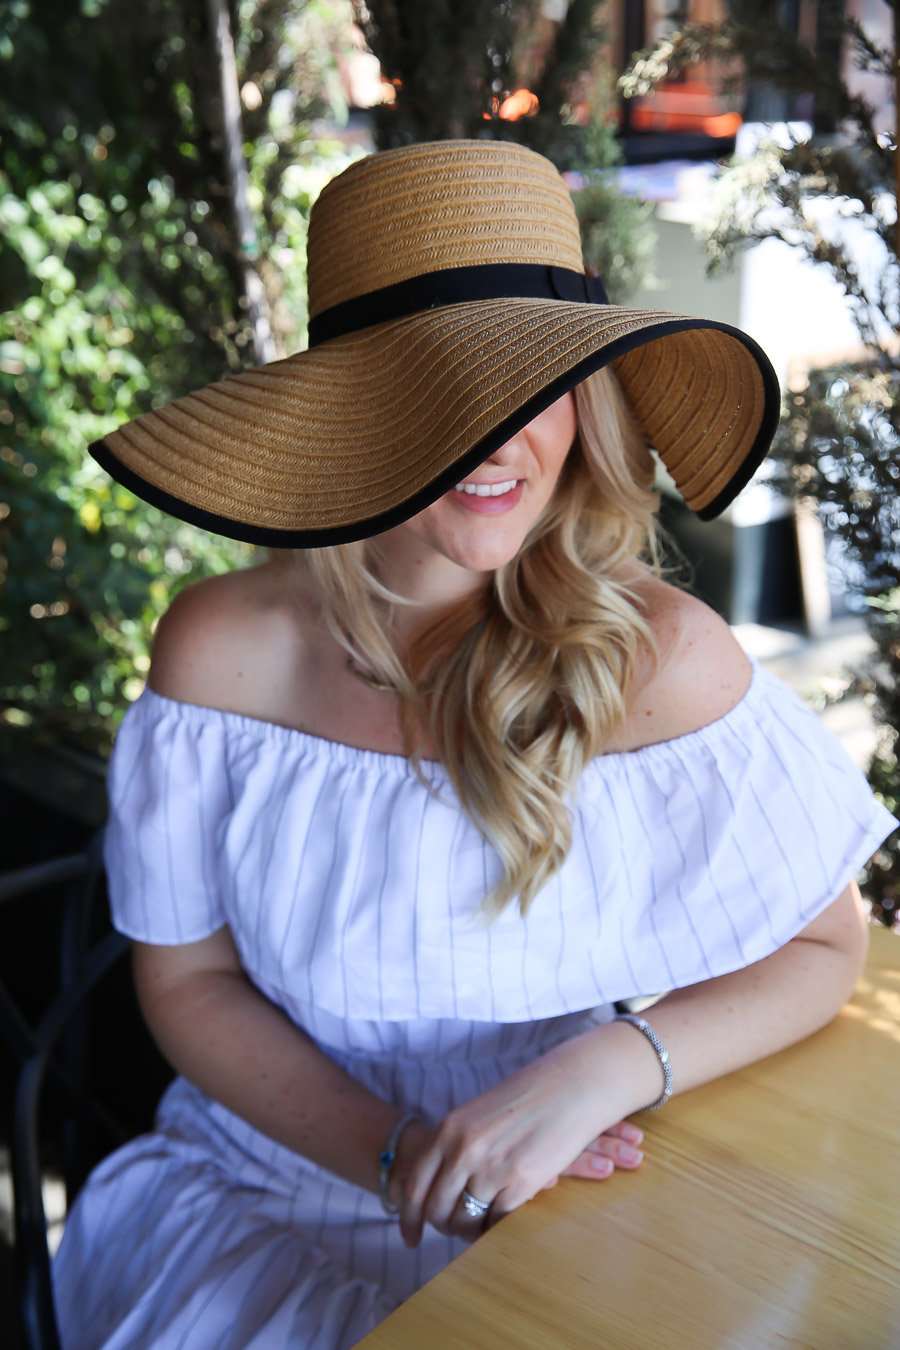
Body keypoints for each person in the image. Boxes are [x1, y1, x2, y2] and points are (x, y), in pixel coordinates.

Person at [54, 140, 896, 1350]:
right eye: (432, 387)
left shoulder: (659, 661)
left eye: (534, 384)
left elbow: (827, 939)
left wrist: (611, 1066)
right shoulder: (220, 657)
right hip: (255, 1200)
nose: (497, 442)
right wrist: (398, 1158)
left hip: (571, 1197)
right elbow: (188, 981)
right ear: (347, 414)